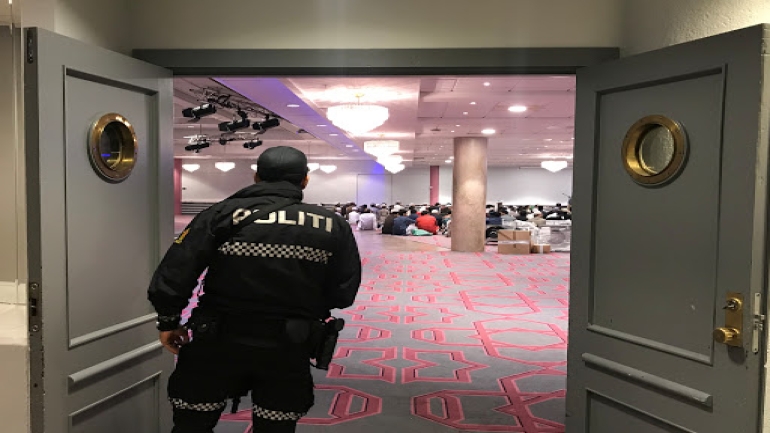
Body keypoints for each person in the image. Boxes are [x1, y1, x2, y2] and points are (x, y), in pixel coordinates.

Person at [148, 146, 362, 433]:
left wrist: (168, 321)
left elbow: (176, 271)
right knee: (276, 426)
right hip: (289, 342)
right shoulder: (332, 224)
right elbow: (343, 293)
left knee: (192, 423)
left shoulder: (219, 214)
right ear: (305, 180)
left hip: (216, 339)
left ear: (256, 176)